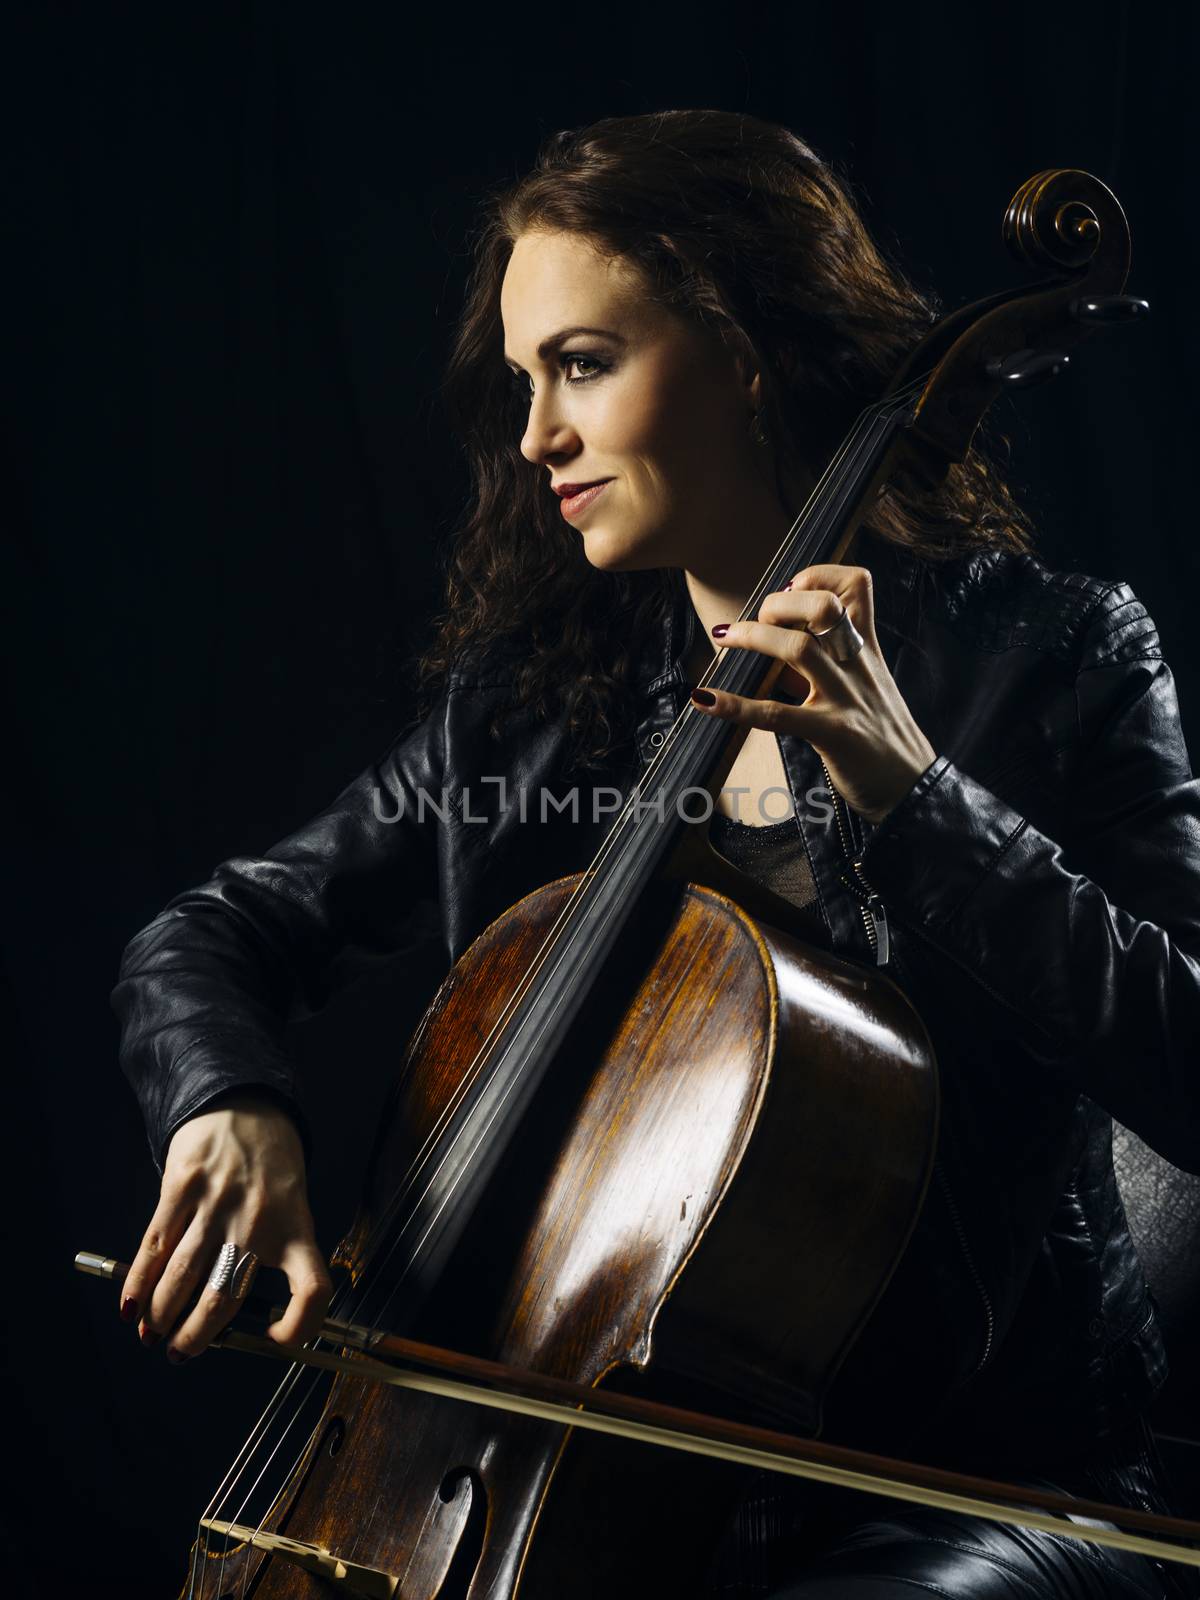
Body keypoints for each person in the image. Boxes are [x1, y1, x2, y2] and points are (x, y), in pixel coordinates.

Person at [110, 110, 1200, 1598]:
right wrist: (227, 1106)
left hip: (975, 1491)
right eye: (523, 381)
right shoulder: (529, 710)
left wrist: (920, 797)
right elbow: (214, 935)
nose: (537, 437)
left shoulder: (1060, 658)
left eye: (582, 365)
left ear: (744, 359)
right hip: (608, 1488)